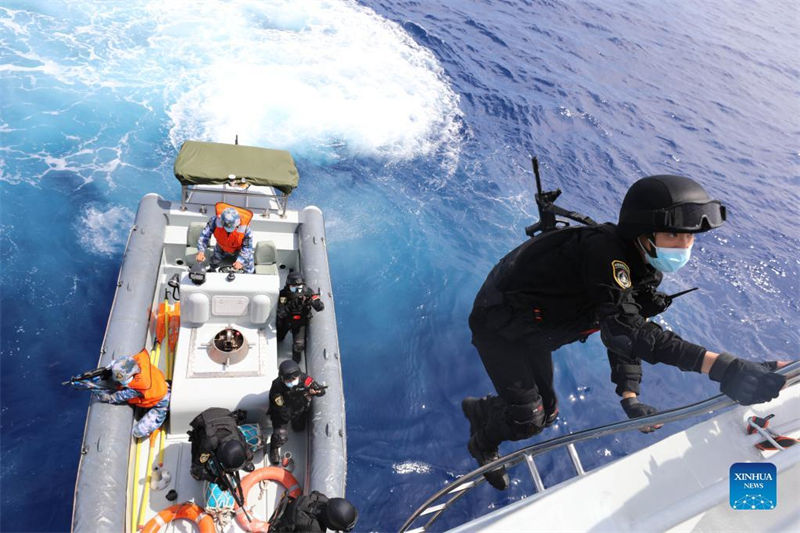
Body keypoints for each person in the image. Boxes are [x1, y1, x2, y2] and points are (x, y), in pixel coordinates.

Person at [462, 174, 787, 490]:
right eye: (674, 236)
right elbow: (626, 331)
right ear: (643, 232)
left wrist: (629, 394)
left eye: (689, 238)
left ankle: (482, 409)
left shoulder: (644, 267)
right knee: (529, 420)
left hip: (536, 330)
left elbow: (623, 324)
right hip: (499, 326)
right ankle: (481, 443)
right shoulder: (603, 254)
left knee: (547, 415)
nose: (685, 246)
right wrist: (720, 366)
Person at [92, 349, 170, 439]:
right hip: (162, 385)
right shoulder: (135, 363)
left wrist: (101, 395)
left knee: (137, 432)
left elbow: (117, 397)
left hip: (162, 402)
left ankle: (164, 415)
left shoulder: (138, 387)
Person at [267, 360, 326, 465]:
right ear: (282, 379)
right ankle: (274, 447)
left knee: (299, 428)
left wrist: (318, 391)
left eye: (294, 378)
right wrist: (305, 398)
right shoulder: (277, 388)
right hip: (281, 413)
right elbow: (284, 413)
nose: (292, 381)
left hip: (299, 409)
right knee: (280, 436)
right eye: (288, 379)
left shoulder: (304, 379)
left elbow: (321, 391)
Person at [187, 407, 255, 484]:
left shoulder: (237, 437)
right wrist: (215, 480)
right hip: (205, 420)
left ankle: (240, 462)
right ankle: (195, 474)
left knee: (245, 449)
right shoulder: (208, 444)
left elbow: (244, 444)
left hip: (224, 416)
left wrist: (248, 458)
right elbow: (200, 460)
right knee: (197, 468)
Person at [277, 272, 325, 362]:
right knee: (279, 337)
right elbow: (281, 313)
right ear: (288, 286)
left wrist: (315, 303)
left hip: (300, 323)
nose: (297, 290)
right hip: (286, 320)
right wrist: (291, 305)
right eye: (293, 287)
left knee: (299, 345)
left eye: (299, 287)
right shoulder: (283, 295)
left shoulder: (308, 292)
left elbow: (320, 307)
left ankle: (296, 361)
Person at [196, 202, 255, 273]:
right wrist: (201, 252)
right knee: (214, 262)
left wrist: (240, 261)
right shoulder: (214, 221)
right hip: (221, 246)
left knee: (249, 266)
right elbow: (204, 236)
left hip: (238, 249)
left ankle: (249, 274)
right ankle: (212, 270)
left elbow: (247, 247)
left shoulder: (245, 228)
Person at [269, 491, 358, 532]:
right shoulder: (313, 529)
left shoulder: (320, 498)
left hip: (286, 507)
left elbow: (313, 492)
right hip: (278, 526)